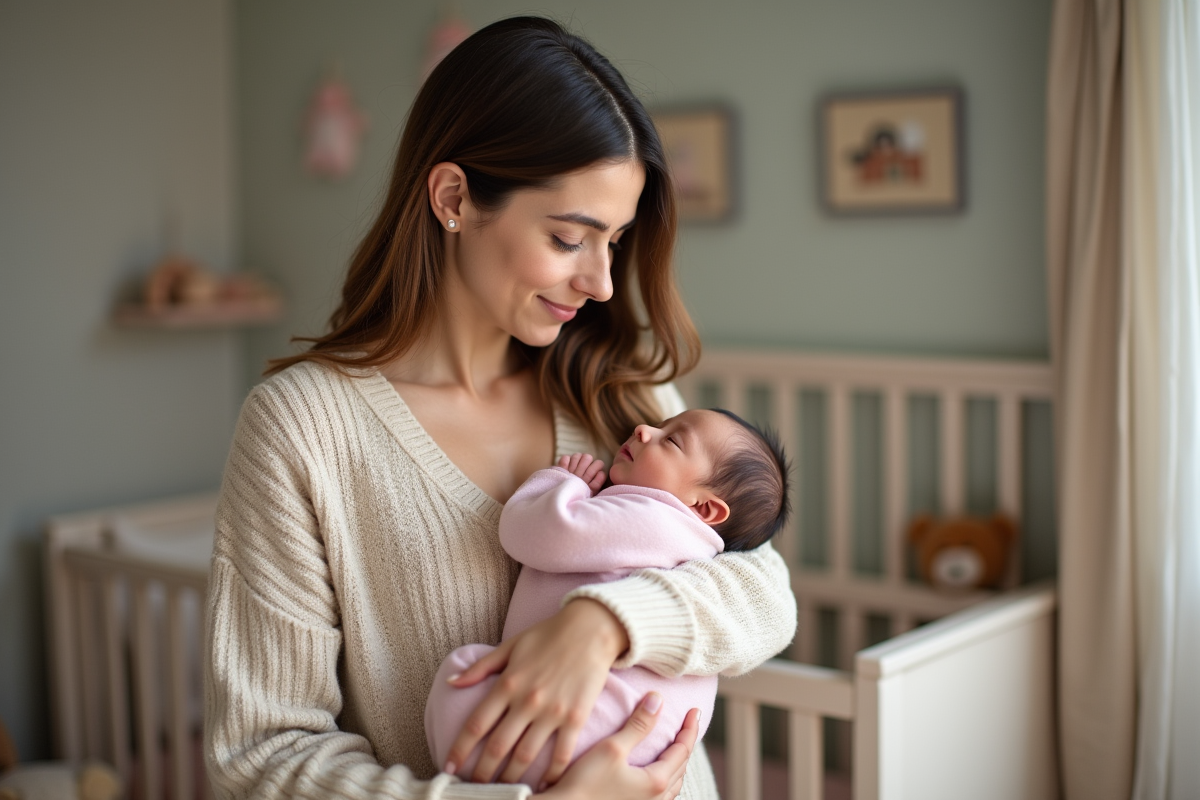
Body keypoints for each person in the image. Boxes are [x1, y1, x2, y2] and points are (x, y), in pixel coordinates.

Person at [204, 15, 795, 800]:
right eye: (568, 238)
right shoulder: (303, 429)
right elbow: (263, 755)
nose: (602, 283)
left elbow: (764, 593)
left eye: (613, 241)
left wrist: (605, 624)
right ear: (453, 197)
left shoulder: (619, 388)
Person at [426, 409, 792, 789]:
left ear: (704, 508)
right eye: (660, 425)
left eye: (671, 440)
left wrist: (562, 483)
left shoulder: (651, 518)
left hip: (594, 723)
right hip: (646, 749)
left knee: (461, 678)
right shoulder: (700, 548)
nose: (644, 429)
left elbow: (533, 533)